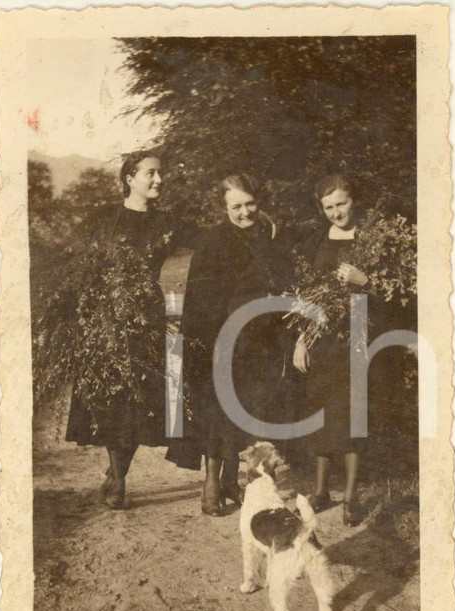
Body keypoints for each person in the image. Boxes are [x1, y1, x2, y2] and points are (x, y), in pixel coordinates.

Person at [61, 151, 186, 510]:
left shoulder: (168, 223)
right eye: (151, 173)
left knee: (139, 402)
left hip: (148, 317)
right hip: (107, 318)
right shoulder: (104, 219)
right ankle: (117, 478)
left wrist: (259, 220)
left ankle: (118, 474)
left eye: (161, 173)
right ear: (130, 178)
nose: (159, 180)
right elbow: (80, 264)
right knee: (113, 401)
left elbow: (214, 238)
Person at [168, 173, 294, 515]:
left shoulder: (267, 236)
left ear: (258, 201)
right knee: (219, 408)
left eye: (250, 203)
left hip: (262, 339)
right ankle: (211, 483)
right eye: (235, 206)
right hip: (224, 336)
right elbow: (202, 298)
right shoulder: (214, 242)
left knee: (251, 408)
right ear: (223, 208)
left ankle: (231, 480)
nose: (244, 212)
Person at [292, 174, 371, 527]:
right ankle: (321, 491)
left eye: (341, 203)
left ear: (352, 199)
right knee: (321, 407)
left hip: (360, 333)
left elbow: (400, 290)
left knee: (354, 413)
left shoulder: (374, 238)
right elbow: (308, 295)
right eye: (328, 207)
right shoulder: (315, 242)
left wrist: (365, 281)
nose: (336, 212)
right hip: (322, 336)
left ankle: (351, 498)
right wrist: (301, 339)